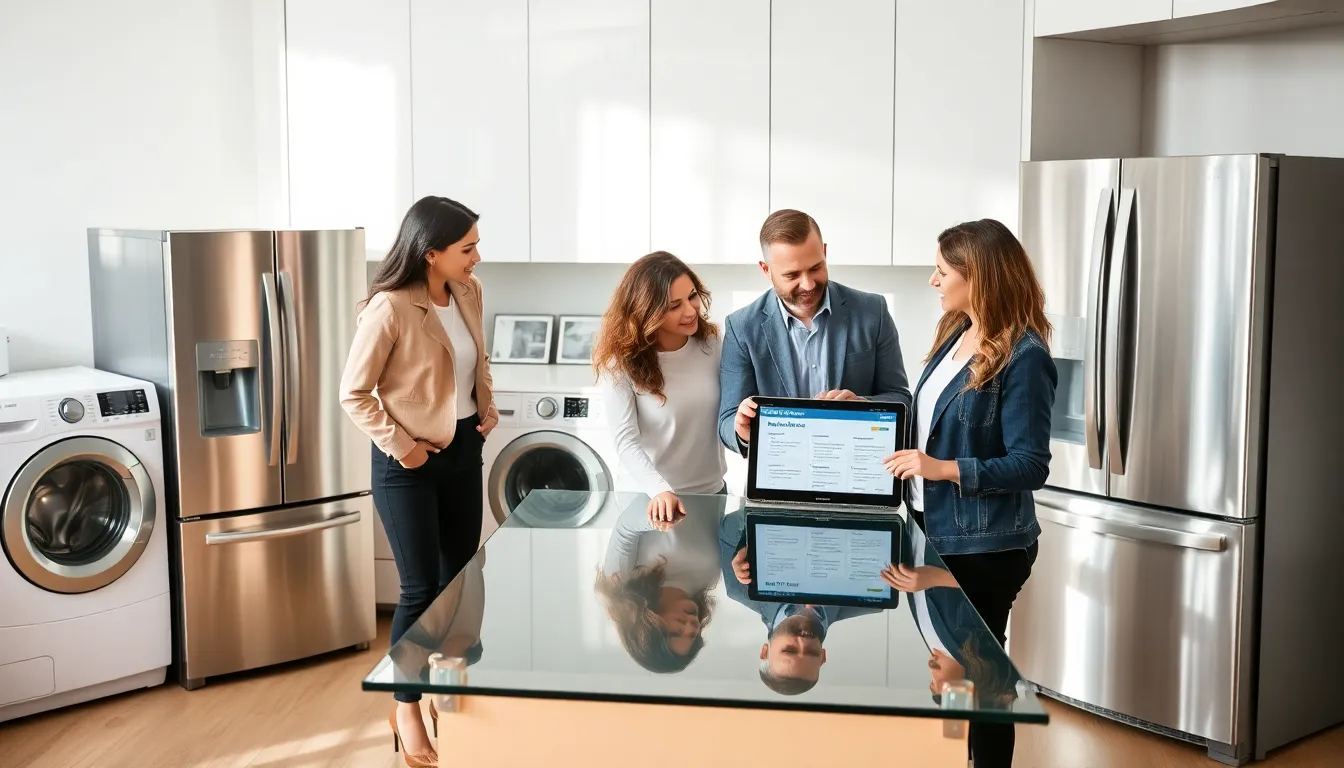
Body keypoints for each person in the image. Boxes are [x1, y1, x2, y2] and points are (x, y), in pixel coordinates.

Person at [882, 218, 1055, 768]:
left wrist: (941, 469)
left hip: (984, 547)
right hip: (934, 531)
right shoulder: (957, 331)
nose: (933, 281)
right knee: (954, 672)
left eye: (942, 271)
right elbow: (932, 420)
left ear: (978, 276)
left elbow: (1030, 464)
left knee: (985, 683)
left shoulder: (1024, 356)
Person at [339, 195, 499, 767]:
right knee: (420, 588)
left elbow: (473, 359)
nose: (476, 257)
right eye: (467, 248)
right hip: (407, 463)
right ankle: (405, 706)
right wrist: (404, 448)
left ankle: (452, 693)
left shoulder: (468, 291)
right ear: (431, 253)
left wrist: (485, 407)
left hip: (463, 450)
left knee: (461, 579)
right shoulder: (390, 308)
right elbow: (354, 393)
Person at [718, 209, 911, 455]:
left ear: (825, 252)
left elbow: (901, 399)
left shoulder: (873, 311)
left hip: (855, 468)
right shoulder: (742, 327)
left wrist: (862, 406)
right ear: (766, 270)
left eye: (816, 268)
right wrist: (741, 430)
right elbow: (727, 419)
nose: (808, 284)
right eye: (792, 275)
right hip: (781, 471)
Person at [593, 252, 727, 522]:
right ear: (647, 312)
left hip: (710, 493)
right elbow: (625, 440)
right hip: (648, 499)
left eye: (692, 296)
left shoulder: (713, 344)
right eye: (674, 306)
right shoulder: (619, 363)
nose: (690, 311)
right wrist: (659, 489)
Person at [717, 510, 881, 695]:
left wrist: (747, 538)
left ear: (765, 651)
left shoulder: (740, 589)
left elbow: (727, 529)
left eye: (789, 650)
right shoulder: (870, 600)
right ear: (822, 656)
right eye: (812, 652)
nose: (803, 641)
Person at [593, 494, 724, 673]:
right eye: (693, 635)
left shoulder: (621, 582)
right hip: (709, 481)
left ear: (649, 627)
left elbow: (625, 528)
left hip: (659, 478)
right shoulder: (708, 580)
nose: (691, 626)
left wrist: (664, 514)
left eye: (676, 632)